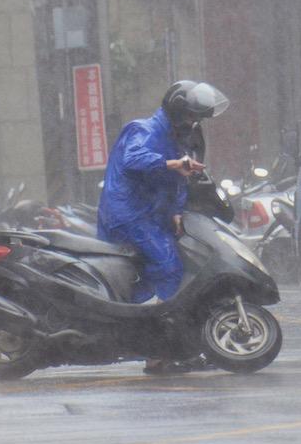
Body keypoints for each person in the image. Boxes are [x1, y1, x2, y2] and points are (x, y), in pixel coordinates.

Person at [96, 80, 229, 305]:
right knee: (168, 265)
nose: (193, 123)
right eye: (191, 116)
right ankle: (163, 319)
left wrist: (176, 210)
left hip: (149, 216)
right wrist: (172, 163)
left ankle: (137, 310)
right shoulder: (143, 130)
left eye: (197, 119)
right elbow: (133, 159)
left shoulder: (175, 140)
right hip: (128, 216)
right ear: (177, 111)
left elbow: (177, 180)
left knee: (166, 264)